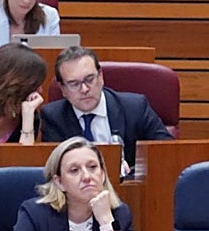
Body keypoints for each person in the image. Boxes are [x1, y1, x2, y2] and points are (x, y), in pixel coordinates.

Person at [0, 136, 135, 231]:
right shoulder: (35, 215)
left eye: (92, 167)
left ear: (103, 175)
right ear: (59, 182)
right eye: (74, 170)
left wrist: (106, 221)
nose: (87, 176)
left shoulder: (119, 214)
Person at [41, 46, 173, 172]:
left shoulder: (135, 107)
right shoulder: (53, 117)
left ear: (101, 77)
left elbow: (166, 153)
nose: (85, 89)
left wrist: (136, 169)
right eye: (74, 84)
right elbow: (54, 168)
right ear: (63, 89)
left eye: (89, 79)